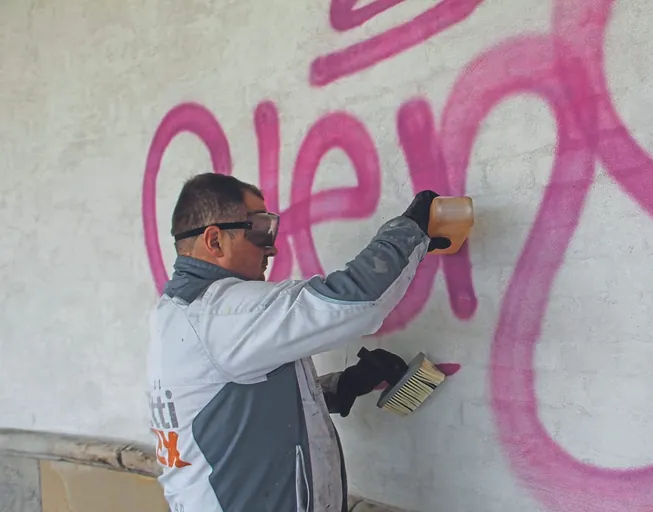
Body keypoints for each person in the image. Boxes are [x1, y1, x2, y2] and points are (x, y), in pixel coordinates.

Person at [145, 172, 451, 512]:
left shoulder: (179, 311)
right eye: (261, 229)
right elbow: (356, 301)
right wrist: (411, 230)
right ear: (215, 241)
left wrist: (341, 385)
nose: (272, 246)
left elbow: (238, 408)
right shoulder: (218, 314)